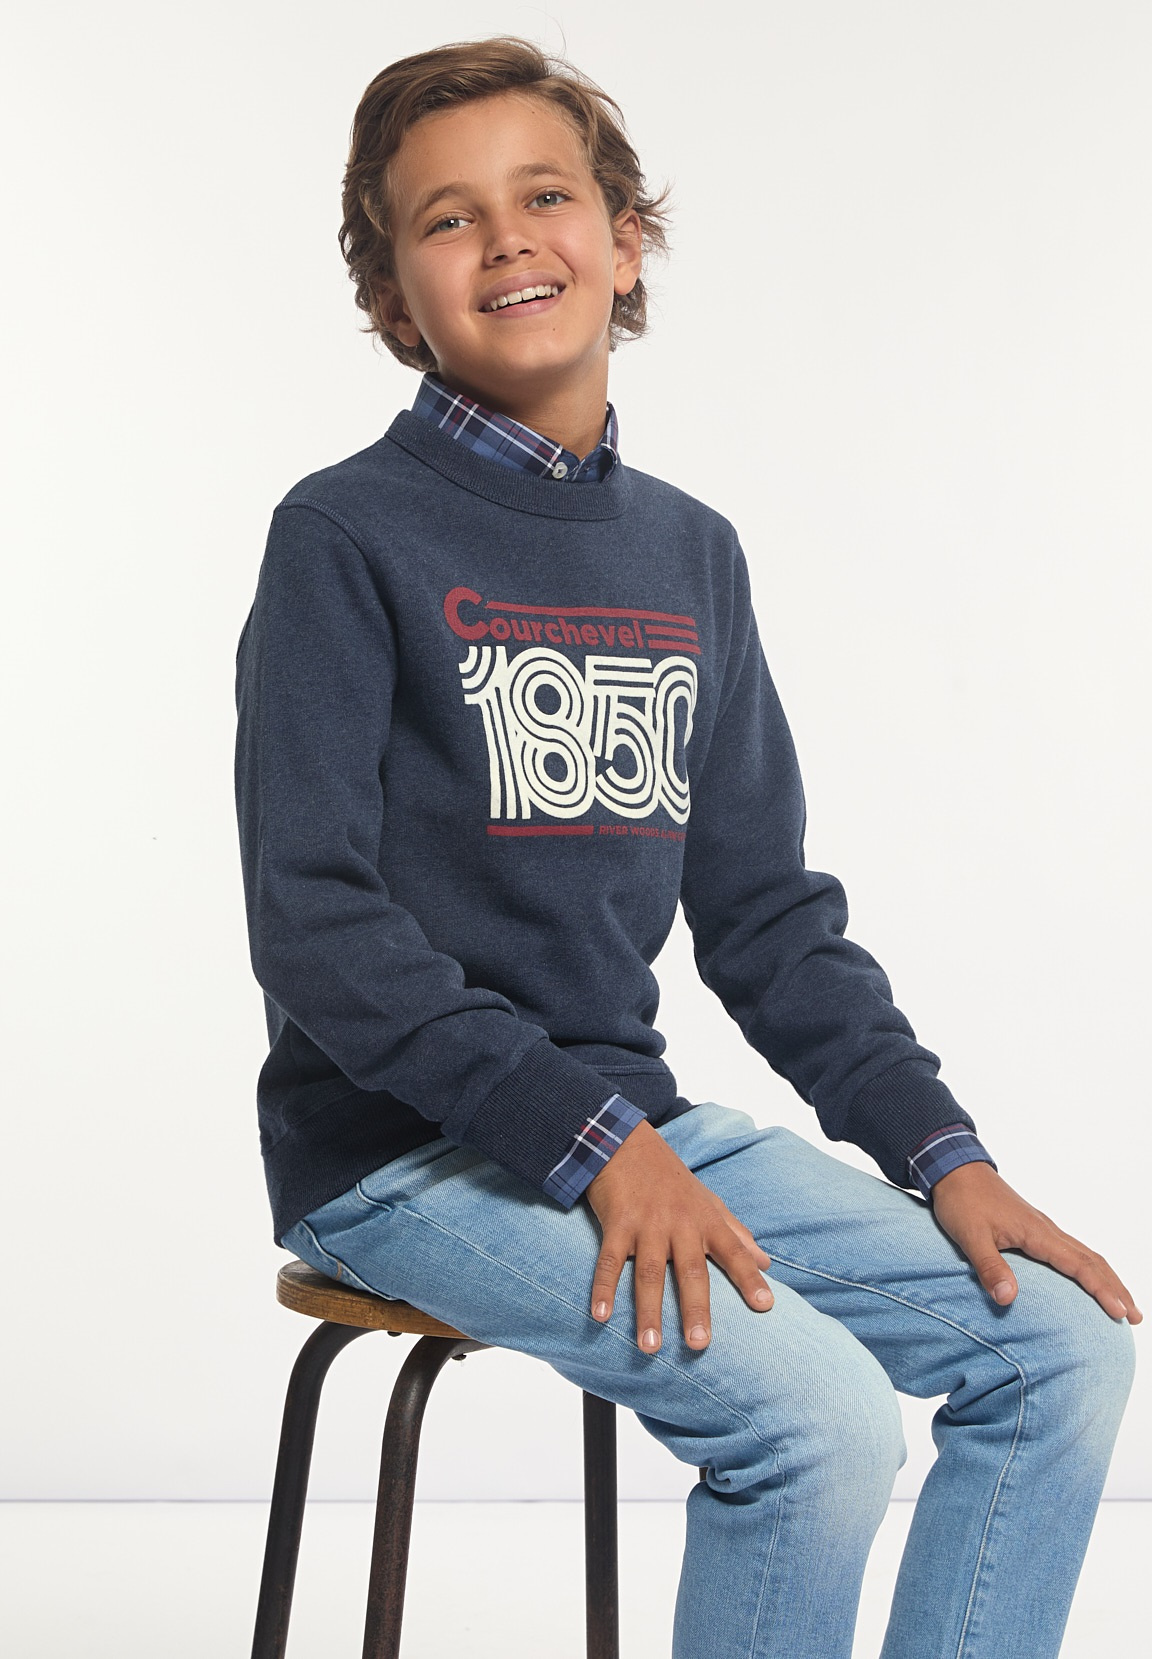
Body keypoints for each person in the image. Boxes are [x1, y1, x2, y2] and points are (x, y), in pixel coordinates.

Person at [233, 36, 1139, 1659]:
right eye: (448, 219)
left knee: (1060, 1348)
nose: (507, 239)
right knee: (820, 1422)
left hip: (635, 1130)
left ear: (626, 238)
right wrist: (589, 1144)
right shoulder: (343, 535)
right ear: (392, 299)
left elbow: (770, 916)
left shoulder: (688, 553)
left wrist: (944, 1154)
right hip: (400, 1157)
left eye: (545, 196)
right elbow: (315, 924)